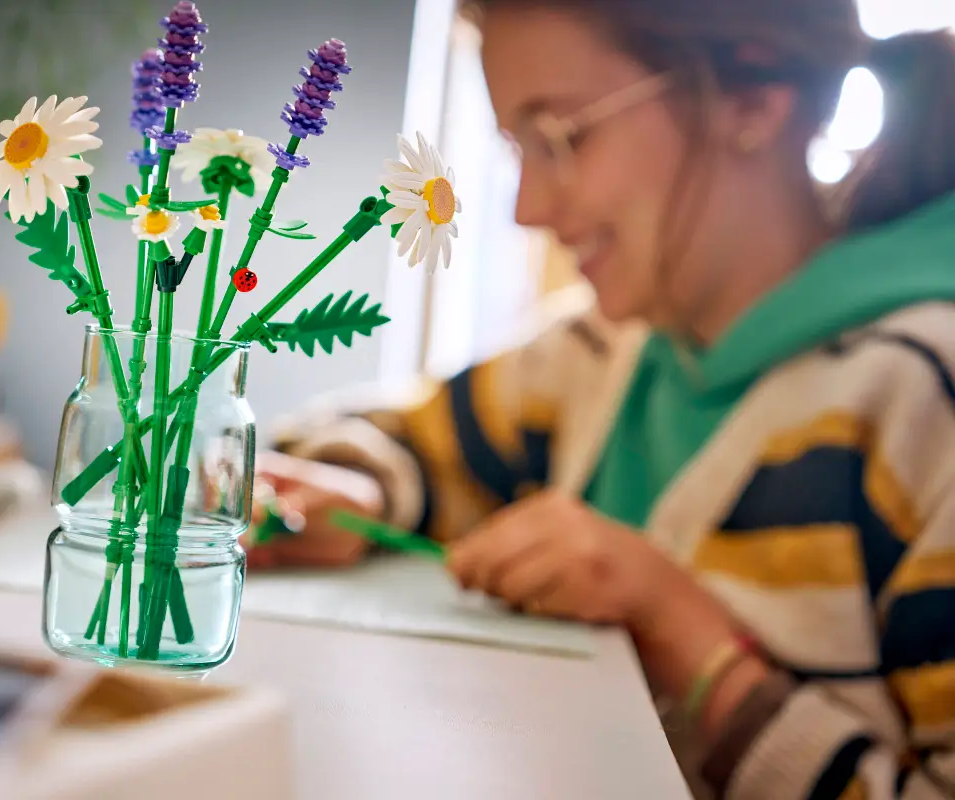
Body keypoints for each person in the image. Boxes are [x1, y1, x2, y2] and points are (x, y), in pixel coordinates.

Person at [247, 0, 955, 797]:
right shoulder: (600, 357)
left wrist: (681, 633)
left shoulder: (922, 399)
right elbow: (409, 442)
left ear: (751, 100)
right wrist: (364, 490)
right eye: (517, 148)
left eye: (562, 136)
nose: (527, 209)